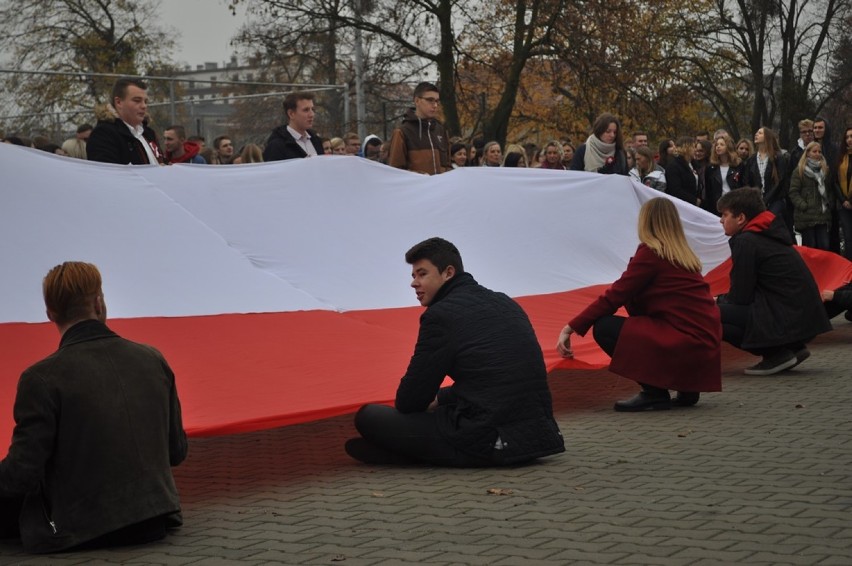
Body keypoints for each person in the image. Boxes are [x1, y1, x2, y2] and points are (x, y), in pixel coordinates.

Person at [0, 262, 187, 553]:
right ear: (99, 304)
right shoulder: (152, 359)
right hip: (153, 519)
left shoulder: (40, 378)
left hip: (81, 528)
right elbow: (176, 451)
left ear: (50, 313)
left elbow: (21, 475)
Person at [345, 238, 564, 466]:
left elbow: (409, 401)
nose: (414, 283)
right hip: (539, 435)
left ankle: (405, 453)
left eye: (422, 274)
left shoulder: (440, 316)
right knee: (436, 409)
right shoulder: (505, 302)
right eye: (413, 276)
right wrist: (441, 398)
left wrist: (433, 401)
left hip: (490, 438)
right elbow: (494, 378)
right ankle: (403, 453)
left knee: (368, 416)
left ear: (448, 273)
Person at [556, 197, 722, 411]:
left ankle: (653, 392)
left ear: (645, 222)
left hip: (685, 340)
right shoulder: (683, 255)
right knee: (650, 326)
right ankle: (687, 387)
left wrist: (571, 327)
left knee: (605, 327)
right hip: (704, 342)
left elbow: (615, 296)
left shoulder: (652, 253)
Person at [716, 188, 831, 375]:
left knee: (708, 315)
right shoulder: (768, 232)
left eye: (725, 215)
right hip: (801, 317)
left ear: (741, 218)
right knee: (723, 313)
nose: (721, 220)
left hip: (786, 317)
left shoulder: (747, 241)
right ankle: (791, 348)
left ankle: (776, 354)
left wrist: (718, 300)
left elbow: (741, 294)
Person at [87, 77, 162, 165]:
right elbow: (107, 174)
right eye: (137, 101)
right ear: (119, 102)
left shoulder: (149, 133)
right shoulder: (104, 134)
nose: (144, 106)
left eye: (145, 101)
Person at [387, 82, 451, 175]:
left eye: (437, 101)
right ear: (417, 101)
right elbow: (395, 171)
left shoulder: (440, 130)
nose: (435, 105)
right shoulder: (402, 132)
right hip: (416, 188)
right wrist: (421, 177)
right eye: (430, 100)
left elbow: (447, 165)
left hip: (440, 188)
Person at [789, 142, 832, 250]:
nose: (817, 154)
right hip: (806, 216)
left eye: (819, 151)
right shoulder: (799, 171)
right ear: (807, 153)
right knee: (810, 247)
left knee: (824, 246)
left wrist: (829, 203)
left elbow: (830, 190)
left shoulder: (825, 170)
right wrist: (804, 205)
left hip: (822, 215)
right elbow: (793, 192)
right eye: (814, 151)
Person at [263, 92, 325, 161]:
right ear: (291, 114)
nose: (312, 114)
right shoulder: (276, 146)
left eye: (313, 109)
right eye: (306, 110)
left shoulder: (316, 140)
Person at [702, 135, 744, 215]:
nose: (718, 147)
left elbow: (742, 186)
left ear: (728, 147)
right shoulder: (710, 168)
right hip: (717, 206)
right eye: (717, 145)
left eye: (721, 144)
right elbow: (708, 190)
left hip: (734, 205)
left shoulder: (738, 165)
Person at [834, 126, 852, 259]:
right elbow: (834, 181)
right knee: (848, 237)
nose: (849, 140)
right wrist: (843, 200)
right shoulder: (840, 158)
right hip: (843, 204)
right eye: (847, 137)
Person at [665, 136, 700, 206]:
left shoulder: (695, 164)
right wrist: (694, 200)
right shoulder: (673, 166)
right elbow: (675, 190)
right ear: (686, 148)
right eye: (693, 147)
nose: (696, 150)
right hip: (682, 206)